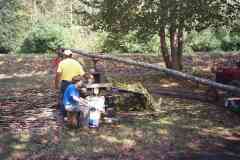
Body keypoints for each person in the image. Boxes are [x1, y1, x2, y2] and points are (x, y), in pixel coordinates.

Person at [55, 49, 85, 118]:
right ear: (71, 55)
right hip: (75, 83)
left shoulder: (62, 63)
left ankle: (65, 116)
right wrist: (88, 78)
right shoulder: (76, 63)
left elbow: (58, 74)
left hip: (65, 83)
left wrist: (56, 84)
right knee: (74, 98)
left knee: (64, 98)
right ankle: (74, 116)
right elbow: (83, 73)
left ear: (64, 56)